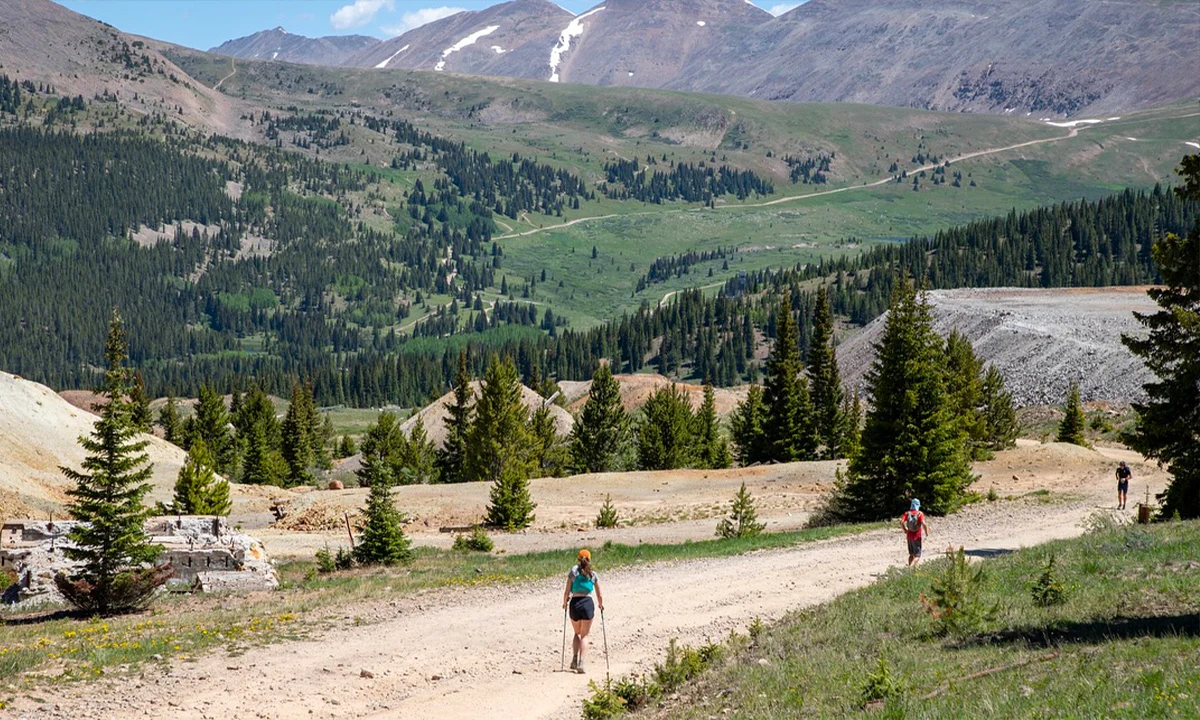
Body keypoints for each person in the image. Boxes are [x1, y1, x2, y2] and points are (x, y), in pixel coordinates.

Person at [562, 548, 604, 674]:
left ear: (578, 559)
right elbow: (599, 594)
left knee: (577, 633)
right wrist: (601, 605)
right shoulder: (593, 574)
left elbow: (566, 591)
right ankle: (582, 663)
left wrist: (565, 603)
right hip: (587, 603)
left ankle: (574, 659)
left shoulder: (573, 572)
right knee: (585, 635)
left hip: (574, 603)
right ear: (589, 560)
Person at [900, 499, 929, 567]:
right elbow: (924, 524)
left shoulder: (907, 513)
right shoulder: (919, 514)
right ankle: (910, 567)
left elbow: (901, 522)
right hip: (917, 536)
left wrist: (905, 530)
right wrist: (927, 532)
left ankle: (910, 569)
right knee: (917, 556)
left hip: (909, 536)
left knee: (911, 554)